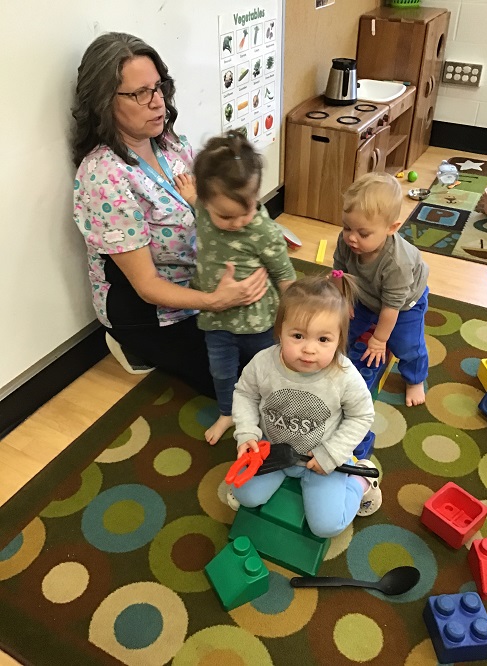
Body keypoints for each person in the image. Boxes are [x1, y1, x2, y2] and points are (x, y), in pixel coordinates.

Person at [72, 32, 268, 397]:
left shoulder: (170, 144)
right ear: (104, 102)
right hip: (156, 314)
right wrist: (218, 301)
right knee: (248, 386)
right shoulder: (103, 175)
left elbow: (215, 206)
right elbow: (147, 288)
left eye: (158, 87)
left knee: (292, 339)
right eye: (139, 93)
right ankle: (132, 345)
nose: (157, 102)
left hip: (204, 280)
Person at [227, 274, 381, 539]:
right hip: (274, 452)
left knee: (326, 527)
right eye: (298, 336)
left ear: (339, 339)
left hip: (323, 458)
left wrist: (331, 454)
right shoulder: (264, 363)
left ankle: (361, 481)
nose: (309, 349)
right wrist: (247, 432)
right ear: (280, 332)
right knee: (245, 495)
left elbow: (361, 414)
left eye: (323, 340)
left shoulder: (343, 374)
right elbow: (245, 394)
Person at [174, 131, 296, 445]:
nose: (238, 222)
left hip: (257, 322)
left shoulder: (263, 231)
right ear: (206, 202)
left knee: (265, 371)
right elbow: (198, 204)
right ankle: (229, 413)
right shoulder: (203, 209)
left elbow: (284, 276)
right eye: (226, 215)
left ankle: (269, 414)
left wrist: (294, 321)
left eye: (248, 210)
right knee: (222, 372)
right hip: (216, 320)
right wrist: (191, 196)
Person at [334, 172, 429, 407]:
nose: (351, 238)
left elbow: (391, 307)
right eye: (347, 228)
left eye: (363, 233)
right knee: (340, 327)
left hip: (404, 304)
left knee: (407, 344)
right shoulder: (346, 241)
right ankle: (334, 362)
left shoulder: (397, 262)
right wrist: (344, 300)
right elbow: (339, 272)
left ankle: (415, 379)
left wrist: (379, 340)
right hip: (365, 293)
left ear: (391, 228)